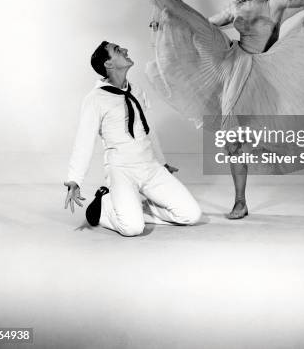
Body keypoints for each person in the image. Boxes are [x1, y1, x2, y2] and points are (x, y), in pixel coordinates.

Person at [130, 0, 304, 219]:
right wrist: (167, 21)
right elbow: (201, 24)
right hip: (231, 62)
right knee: (190, 19)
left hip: (260, 70)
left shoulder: (275, 4)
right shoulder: (234, 8)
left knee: (245, 139)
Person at [63, 41, 202, 236]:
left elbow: (148, 129)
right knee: (132, 229)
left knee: (191, 215)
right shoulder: (95, 99)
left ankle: (134, 208)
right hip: (122, 170)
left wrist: (162, 163)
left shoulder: (136, 91)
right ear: (108, 64)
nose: (125, 50)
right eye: (118, 50)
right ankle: (105, 204)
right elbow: (84, 141)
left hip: (150, 167)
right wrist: (74, 180)